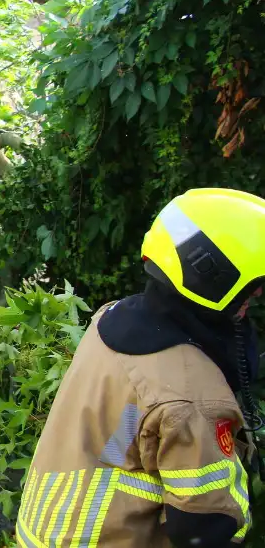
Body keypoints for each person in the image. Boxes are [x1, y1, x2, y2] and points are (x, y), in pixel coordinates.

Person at [16, 188, 265, 548]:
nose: (257, 295)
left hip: (46, 534)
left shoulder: (112, 319)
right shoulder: (192, 397)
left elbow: (126, 429)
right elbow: (205, 529)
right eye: (256, 284)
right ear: (214, 275)